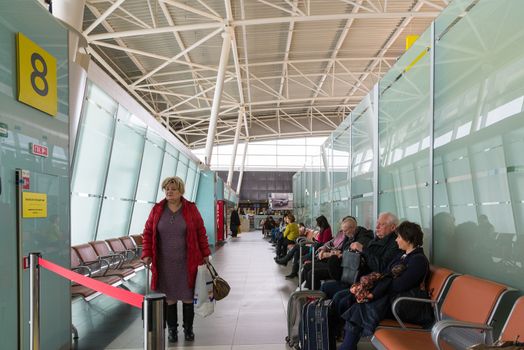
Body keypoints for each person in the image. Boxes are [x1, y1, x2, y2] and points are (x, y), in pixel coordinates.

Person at [141, 176, 211, 343]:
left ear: (181, 191)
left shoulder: (190, 209)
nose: (169, 192)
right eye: (166, 189)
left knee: (187, 296)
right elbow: (148, 232)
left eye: (173, 189)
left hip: (187, 261)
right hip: (164, 263)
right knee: (169, 297)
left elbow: (201, 232)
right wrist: (146, 253)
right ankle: (172, 330)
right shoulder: (157, 209)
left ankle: (188, 330)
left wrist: (206, 254)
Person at [340, 221, 429, 350]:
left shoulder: (418, 260)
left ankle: (347, 347)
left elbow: (398, 285)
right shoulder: (403, 256)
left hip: (408, 306)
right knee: (358, 305)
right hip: (394, 300)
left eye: (398, 237)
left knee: (361, 307)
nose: (396, 240)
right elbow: (386, 275)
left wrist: (376, 291)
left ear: (408, 239)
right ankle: (347, 347)